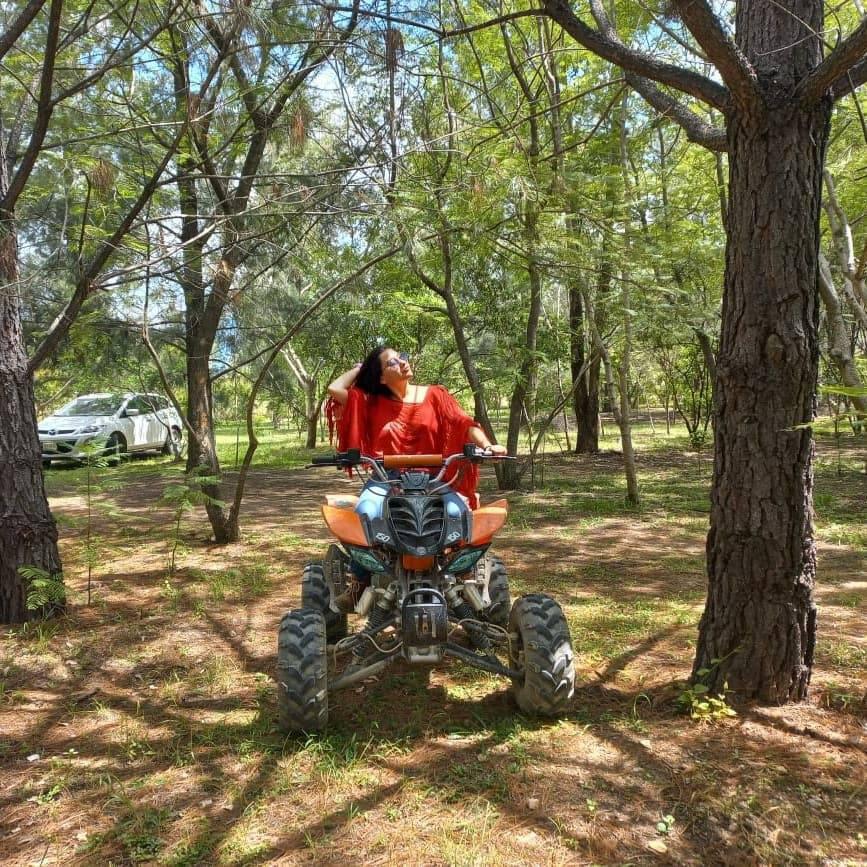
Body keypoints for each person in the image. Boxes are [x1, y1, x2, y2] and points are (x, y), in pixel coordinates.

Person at [326, 346, 505, 517]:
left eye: (402, 357)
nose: (403, 362)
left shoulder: (436, 395)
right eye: (392, 363)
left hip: (433, 478)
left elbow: (465, 424)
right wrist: (360, 369)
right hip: (385, 478)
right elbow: (334, 389)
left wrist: (488, 446)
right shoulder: (370, 403)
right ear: (381, 378)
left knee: (457, 514)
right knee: (367, 513)